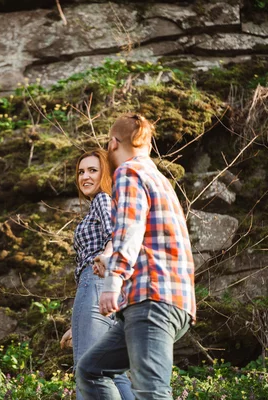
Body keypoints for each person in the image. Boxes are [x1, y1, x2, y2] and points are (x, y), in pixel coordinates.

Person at [76, 113, 197, 400]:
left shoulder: (129, 173)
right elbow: (149, 239)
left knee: (151, 392)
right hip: (168, 300)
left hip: (151, 300)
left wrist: (112, 283)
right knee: (91, 369)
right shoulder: (159, 179)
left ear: (113, 143)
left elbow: (129, 230)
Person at [60, 149, 133, 400]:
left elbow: (116, 236)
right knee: (113, 373)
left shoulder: (103, 199)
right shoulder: (106, 203)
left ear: (105, 173)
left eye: (92, 170)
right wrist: (78, 325)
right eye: (81, 172)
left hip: (95, 283)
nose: (85, 177)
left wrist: (106, 255)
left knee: (86, 369)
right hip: (108, 291)